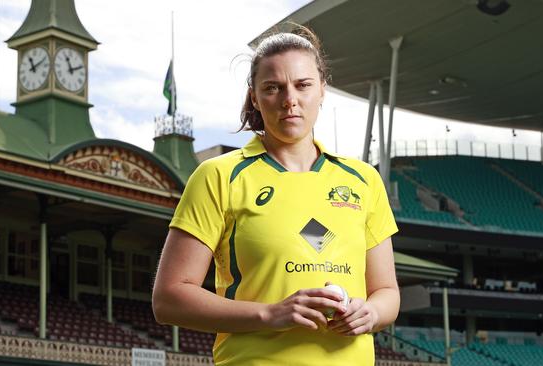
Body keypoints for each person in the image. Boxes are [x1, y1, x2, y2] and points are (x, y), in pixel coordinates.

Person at [152, 26, 399, 366]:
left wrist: (369, 313)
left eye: (303, 85)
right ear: (254, 96)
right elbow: (169, 299)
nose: (290, 100)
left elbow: (387, 293)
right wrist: (269, 314)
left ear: (323, 89)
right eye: (273, 88)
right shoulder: (219, 176)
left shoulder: (363, 181)